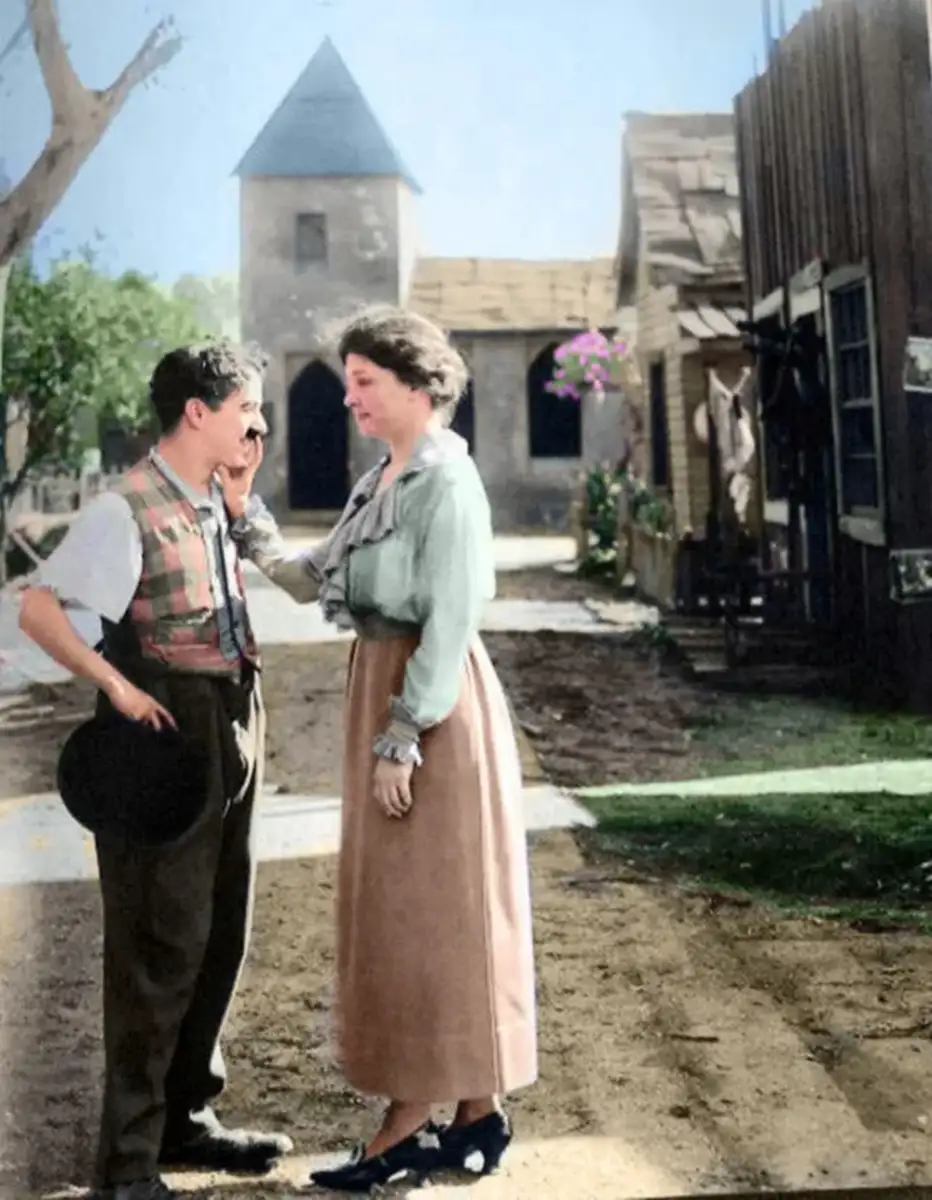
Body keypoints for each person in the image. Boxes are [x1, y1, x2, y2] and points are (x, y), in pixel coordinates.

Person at [221, 306, 538, 1193]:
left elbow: (450, 619)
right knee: (417, 911)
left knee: (436, 910)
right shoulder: (383, 481)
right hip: (384, 686)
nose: (350, 396)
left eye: (365, 382)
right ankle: (475, 1115)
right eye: (351, 380)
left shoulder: (446, 484)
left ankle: (404, 1123)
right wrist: (247, 518)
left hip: (431, 706)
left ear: (417, 386)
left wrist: (404, 736)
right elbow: (314, 576)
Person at [18, 343, 293, 1200]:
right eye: (247, 407)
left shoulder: (215, 495)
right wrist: (116, 686)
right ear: (199, 411)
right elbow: (37, 610)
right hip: (164, 733)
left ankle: (187, 1118)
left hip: (233, 717)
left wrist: (243, 500)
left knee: (218, 934)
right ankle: (128, 1163)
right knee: (155, 944)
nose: (259, 423)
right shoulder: (121, 506)